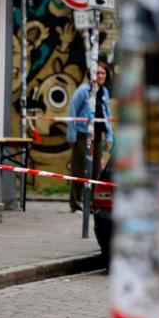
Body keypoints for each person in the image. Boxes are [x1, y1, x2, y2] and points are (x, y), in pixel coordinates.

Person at [67, 62, 114, 214]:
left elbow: (107, 114)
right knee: (79, 170)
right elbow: (73, 111)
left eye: (103, 73)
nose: (101, 76)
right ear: (91, 74)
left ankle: (92, 204)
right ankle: (76, 204)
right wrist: (72, 135)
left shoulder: (104, 91)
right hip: (82, 135)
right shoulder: (83, 90)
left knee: (96, 172)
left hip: (98, 136)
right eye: (98, 73)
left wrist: (110, 135)